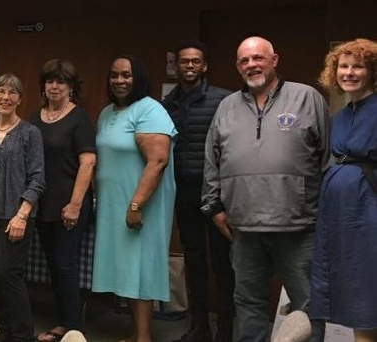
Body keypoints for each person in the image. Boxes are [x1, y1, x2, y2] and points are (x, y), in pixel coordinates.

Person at [202, 36, 329, 342]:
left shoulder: (307, 98)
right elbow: (212, 159)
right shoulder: (226, 107)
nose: (251, 65)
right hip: (243, 228)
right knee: (248, 303)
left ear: (274, 60)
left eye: (258, 58)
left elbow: (328, 158)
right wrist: (214, 206)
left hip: (298, 227)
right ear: (237, 66)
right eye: (244, 60)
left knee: (309, 307)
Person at [92, 55, 176, 342]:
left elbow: (158, 161)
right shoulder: (107, 112)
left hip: (140, 207)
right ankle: (138, 333)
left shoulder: (150, 109)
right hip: (114, 205)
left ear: (138, 77)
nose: (119, 81)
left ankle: (143, 337)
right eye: (114, 75)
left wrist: (135, 205)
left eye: (126, 75)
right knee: (127, 269)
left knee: (140, 269)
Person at [161, 40, 234, 342]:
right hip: (183, 192)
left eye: (195, 62)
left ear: (204, 66)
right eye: (184, 61)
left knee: (222, 262)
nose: (189, 66)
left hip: (217, 194)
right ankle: (199, 325)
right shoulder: (167, 103)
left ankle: (227, 329)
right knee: (193, 260)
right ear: (176, 66)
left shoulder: (225, 100)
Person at [310, 38, 377, 341]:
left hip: (368, 213)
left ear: (372, 72)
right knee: (352, 287)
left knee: (367, 287)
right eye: (343, 66)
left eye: (358, 67)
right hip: (342, 216)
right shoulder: (340, 116)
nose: (349, 72)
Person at [0, 74, 44, 342]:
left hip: (17, 217)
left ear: (20, 99)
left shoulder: (30, 133)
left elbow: (37, 179)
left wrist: (22, 216)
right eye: (1, 92)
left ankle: (24, 335)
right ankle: (6, 330)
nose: (6, 97)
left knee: (8, 274)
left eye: (13, 93)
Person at [29, 58, 96, 341]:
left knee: (65, 264)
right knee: (54, 264)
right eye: (50, 81)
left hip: (71, 205)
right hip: (43, 204)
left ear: (71, 87)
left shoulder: (79, 118)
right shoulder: (34, 118)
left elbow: (88, 162)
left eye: (61, 81)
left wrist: (75, 204)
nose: (54, 86)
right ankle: (65, 320)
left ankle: (73, 327)